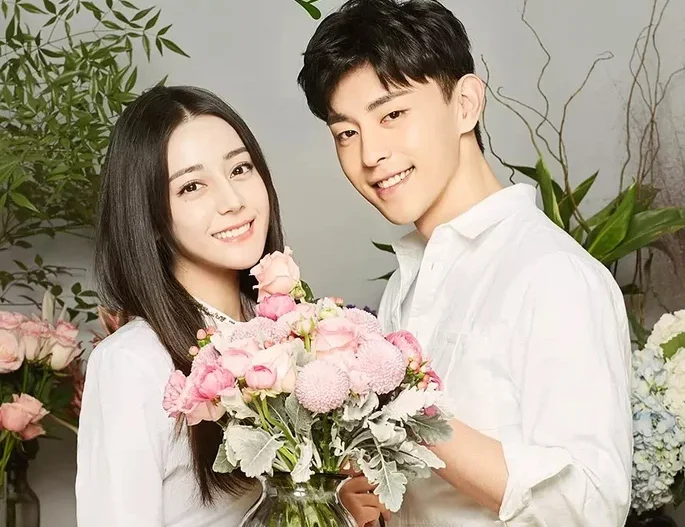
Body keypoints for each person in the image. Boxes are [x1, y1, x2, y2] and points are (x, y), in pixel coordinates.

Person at [297, 1, 633, 525]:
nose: (369, 155)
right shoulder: (407, 283)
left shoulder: (552, 276)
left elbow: (590, 506)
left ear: (465, 105)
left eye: (392, 115)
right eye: (347, 132)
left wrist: (406, 404)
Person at [75, 85, 384, 527]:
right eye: (192, 186)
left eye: (240, 168)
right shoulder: (132, 362)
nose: (233, 201)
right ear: (151, 217)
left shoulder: (294, 337)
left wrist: (327, 504)